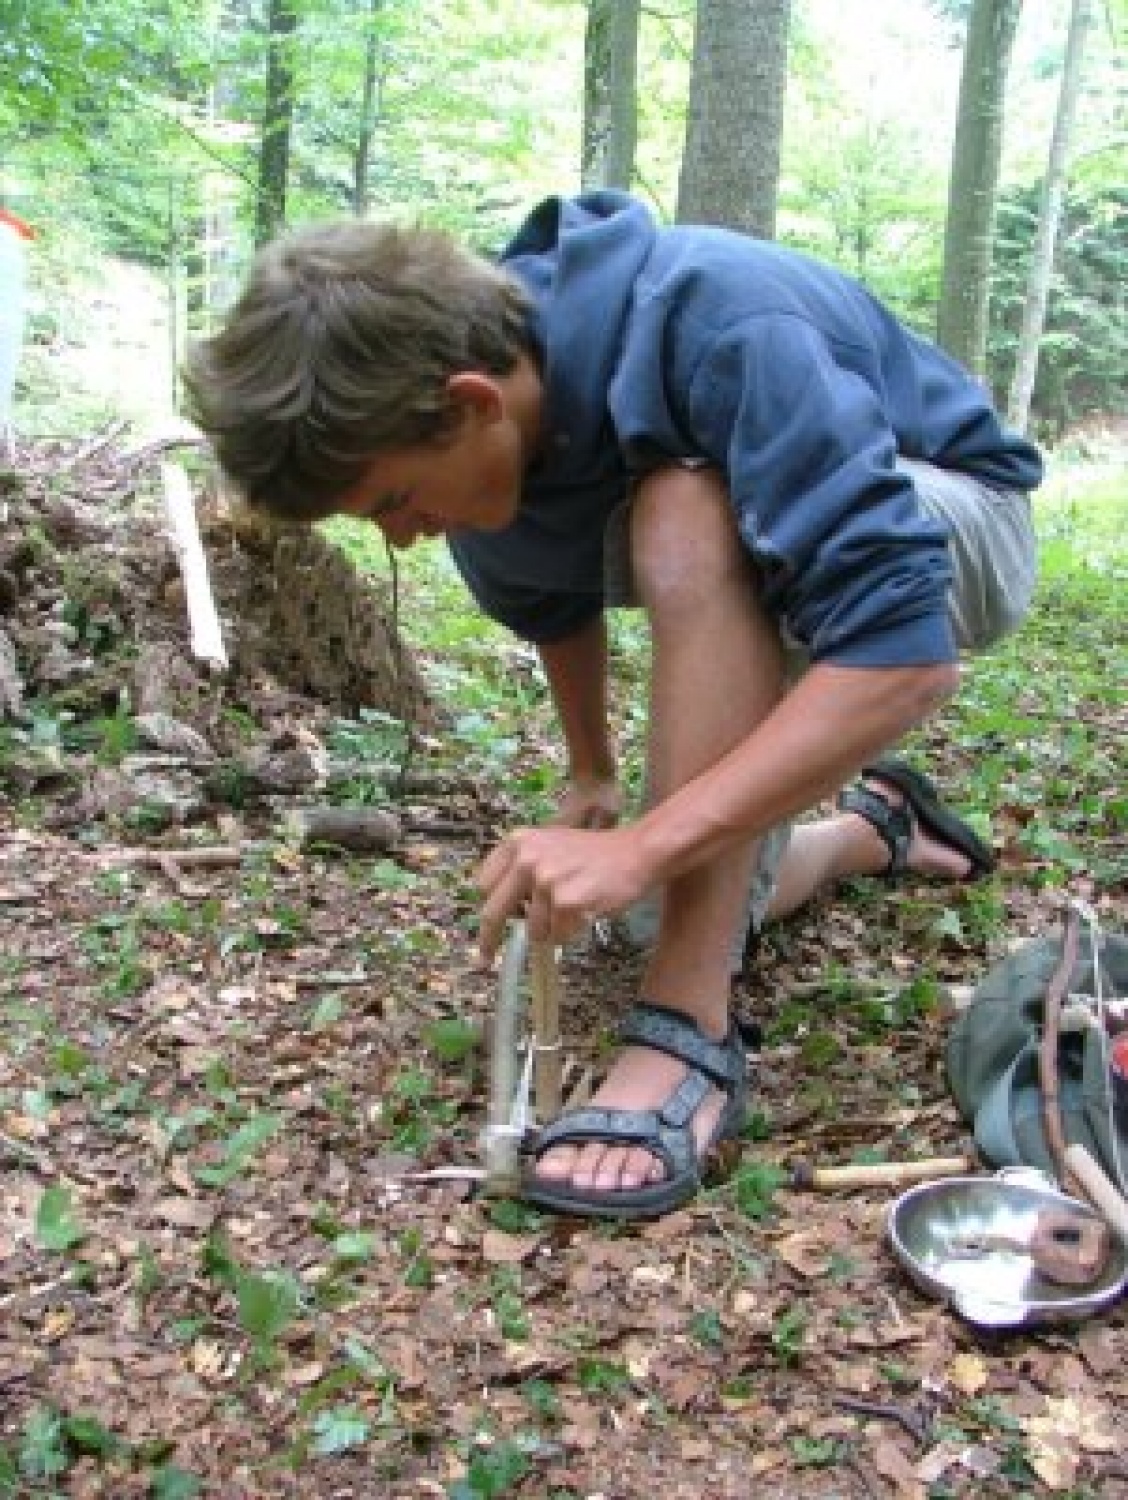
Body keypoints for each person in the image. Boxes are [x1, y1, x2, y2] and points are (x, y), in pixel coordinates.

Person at [183, 191, 1041, 1220]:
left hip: (957, 523)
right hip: (780, 541)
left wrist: (646, 842)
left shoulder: (723, 320)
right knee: (653, 908)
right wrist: (595, 781)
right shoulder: (480, 442)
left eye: (393, 502)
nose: (403, 538)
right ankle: (879, 828)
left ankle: (686, 1025)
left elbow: (903, 659)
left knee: (687, 501)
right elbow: (556, 604)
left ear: (469, 402)